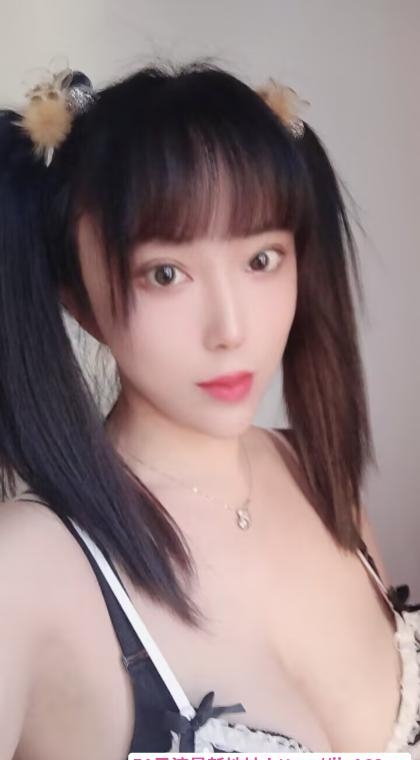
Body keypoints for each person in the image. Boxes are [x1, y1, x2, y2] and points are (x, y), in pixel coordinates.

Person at [0, 59, 419, 760]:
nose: (231, 329)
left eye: (262, 260)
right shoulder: (27, 565)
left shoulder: (317, 475)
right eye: (166, 274)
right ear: (79, 298)